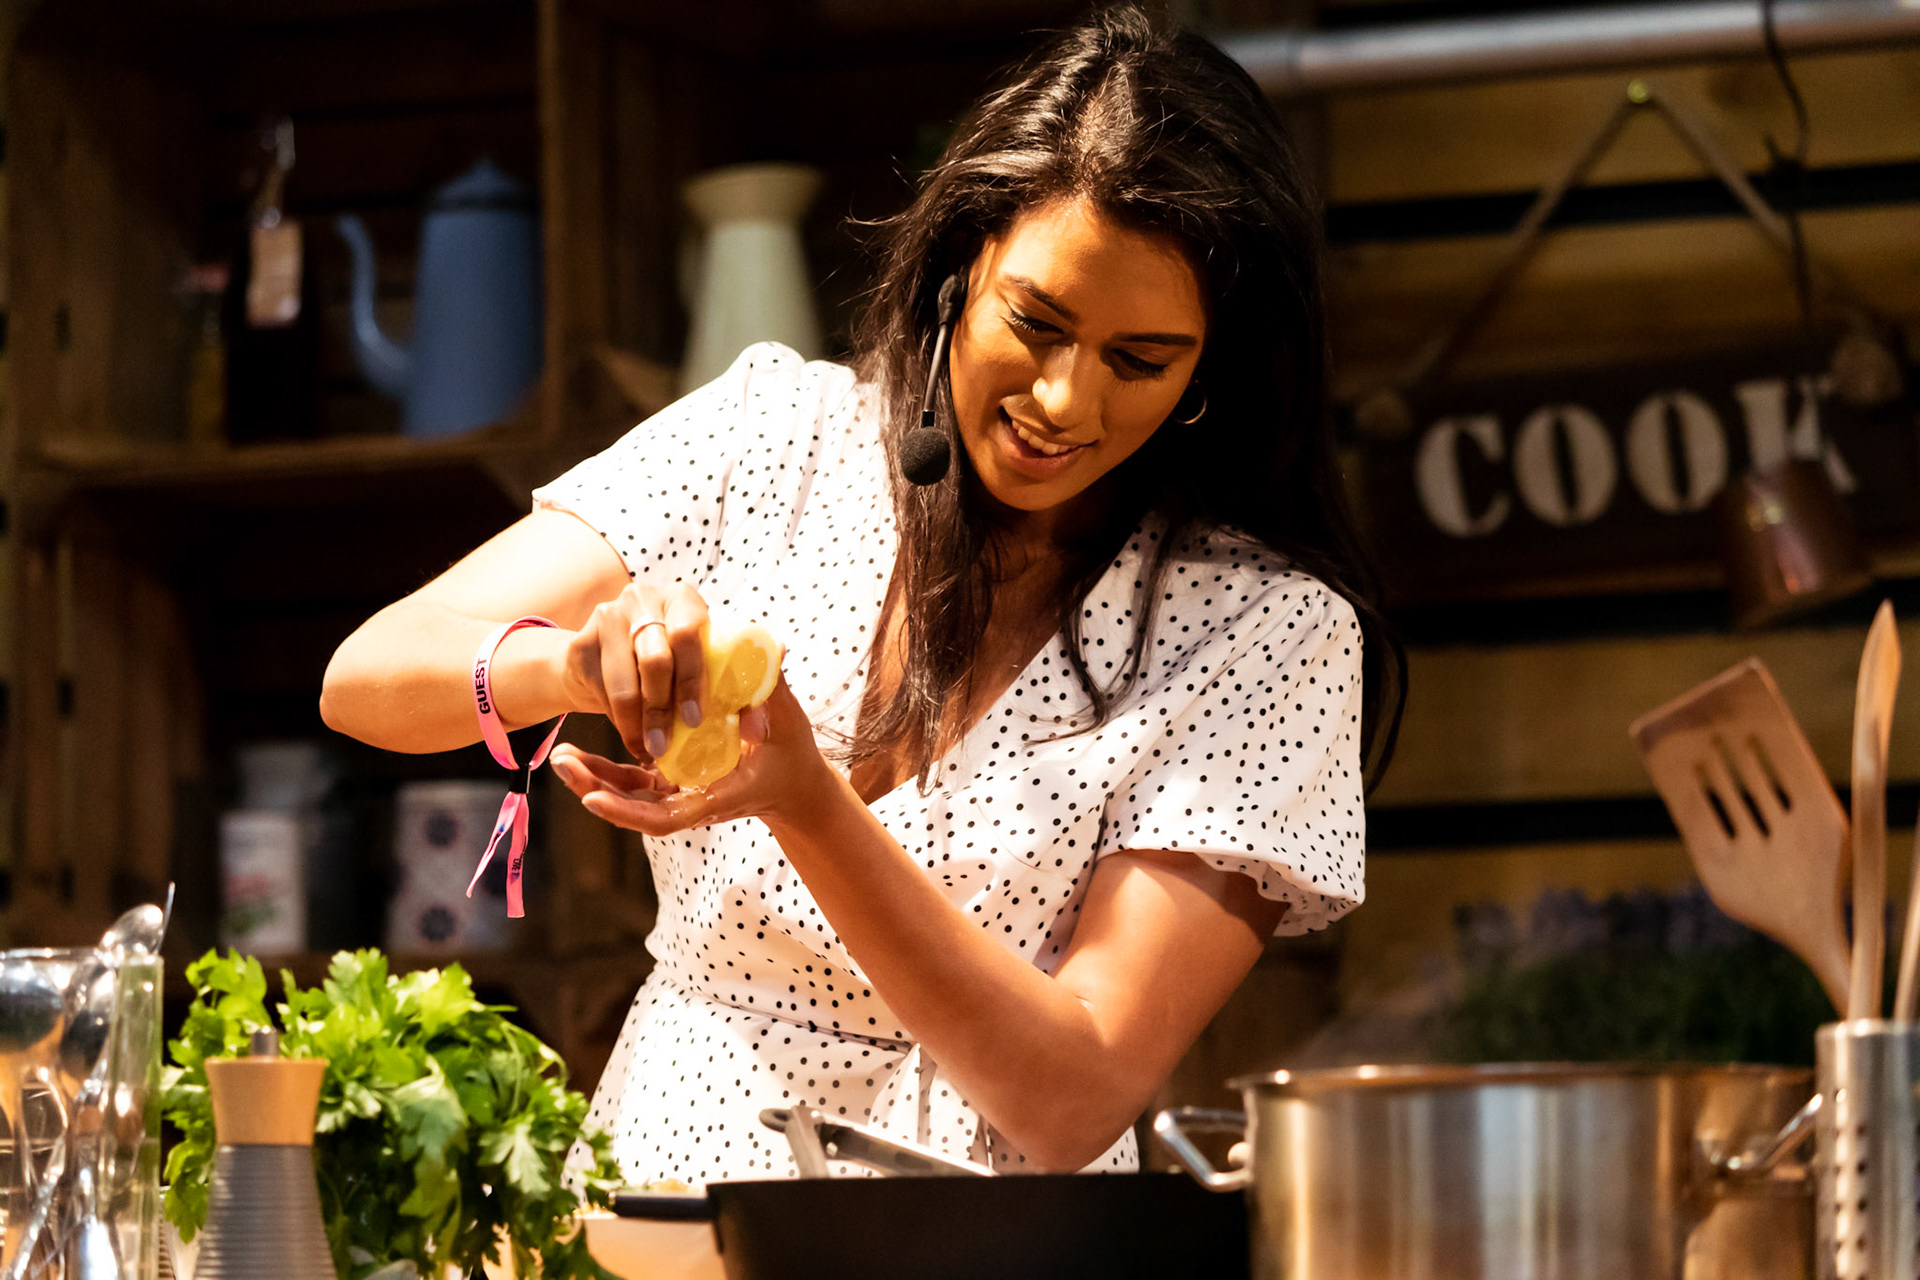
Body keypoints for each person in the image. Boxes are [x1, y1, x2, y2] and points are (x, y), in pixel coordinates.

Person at [321, 4, 1403, 1183]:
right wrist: (573, 663)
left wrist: (807, 803)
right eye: (1035, 322)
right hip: (662, 1204)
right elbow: (368, 676)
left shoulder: (1268, 630)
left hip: (989, 1245)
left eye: (1139, 360)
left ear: (1213, 364)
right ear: (961, 266)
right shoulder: (774, 435)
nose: (1065, 400)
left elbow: (1072, 1095)